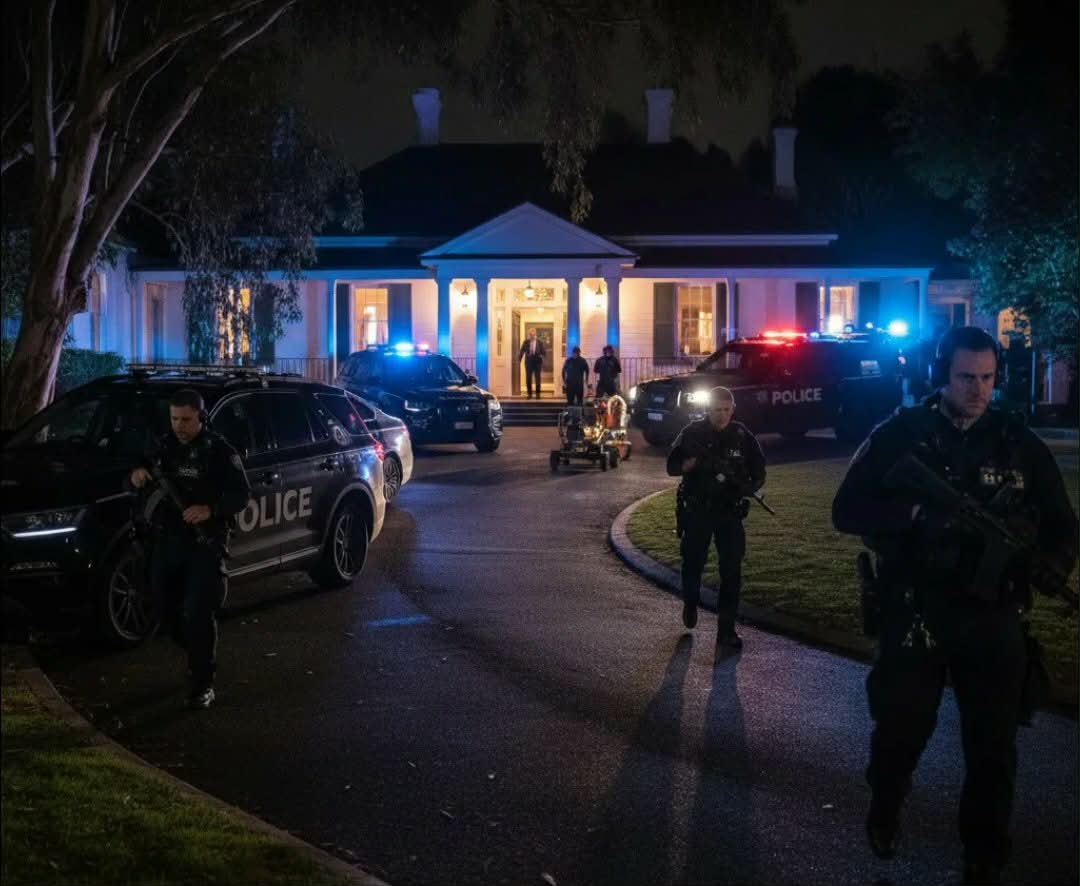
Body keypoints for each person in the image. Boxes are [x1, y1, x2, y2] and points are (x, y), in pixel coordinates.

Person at [832, 326, 1077, 885]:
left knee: (993, 747)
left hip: (993, 615)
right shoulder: (900, 436)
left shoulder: (1017, 442)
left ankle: (984, 854)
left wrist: (1053, 564)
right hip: (917, 610)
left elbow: (1063, 525)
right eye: (966, 377)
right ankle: (886, 803)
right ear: (939, 374)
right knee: (902, 728)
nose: (978, 389)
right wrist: (916, 517)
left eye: (988, 378)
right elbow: (846, 511)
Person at [129, 389, 251, 710]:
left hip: (203, 541)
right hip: (167, 540)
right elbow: (139, 463)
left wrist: (210, 509)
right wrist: (137, 473)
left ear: (201, 417)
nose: (179, 426)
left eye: (186, 420)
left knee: (199, 612)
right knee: (163, 609)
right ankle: (197, 651)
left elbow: (241, 494)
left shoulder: (219, 451)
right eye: (174, 419)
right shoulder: (162, 445)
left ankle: (202, 682)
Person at [666, 387, 766, 649]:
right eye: (716, 410)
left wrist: (749, 486)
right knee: (693, 564)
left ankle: (726, 631)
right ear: (707, 410)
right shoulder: (692, 433)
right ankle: (690, 602)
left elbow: (759, 471)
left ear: (732, 410)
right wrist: (686, 466)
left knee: (731, 571)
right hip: (698, 511)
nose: (721, 415)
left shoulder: (742, 436)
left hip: (729, 513)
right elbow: (671, 466)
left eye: (726, 410)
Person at [519, 328, 546, 399]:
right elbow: (521, 351)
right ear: (529, 335)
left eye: (533, 334)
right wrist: (519, 360)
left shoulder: (540, 342)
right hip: (528, 363)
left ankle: (538, 394)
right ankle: (529, 394)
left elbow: (544, 352)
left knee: (537, 379)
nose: (531, 336)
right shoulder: (526, 342)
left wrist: (541, 356)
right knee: (528, 379)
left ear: (535, 334)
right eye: (530, 335)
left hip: (537, 363)